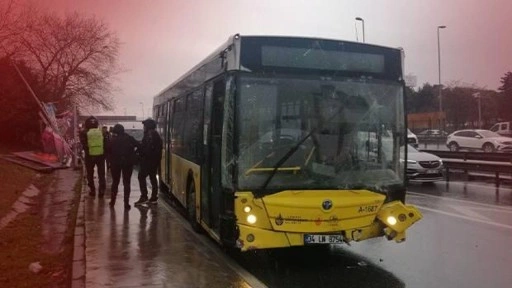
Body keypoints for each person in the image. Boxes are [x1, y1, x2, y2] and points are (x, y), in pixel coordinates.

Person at [106, 124, 139, 209]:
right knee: (127, 183)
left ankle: (113, 201)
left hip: (115, 163)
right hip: (127, 163)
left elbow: (107, 150)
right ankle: (126, 203)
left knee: (115, 182)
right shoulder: (129, 138)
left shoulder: (112, 140)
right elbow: (139, 146)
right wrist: (133, 154)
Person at [135, 118, 162, 205]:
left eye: (144, 126)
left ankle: (144, 196)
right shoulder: (154, 134)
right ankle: (153, 197)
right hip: (154, 161)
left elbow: (147, 149)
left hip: (148, 161)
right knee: (153, 177)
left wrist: (139, 151)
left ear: (148, 126)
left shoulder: (150, 135)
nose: (143, 127)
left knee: (141, 177)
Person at [79, 116, 106, 197]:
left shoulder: (84, 132)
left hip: (89, 156)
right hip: (100, 155)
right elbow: (105, 143)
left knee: (90, 174)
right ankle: (101, 190)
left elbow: (83, 144)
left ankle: (92, 190)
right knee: (101, 174)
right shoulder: (101, 132)